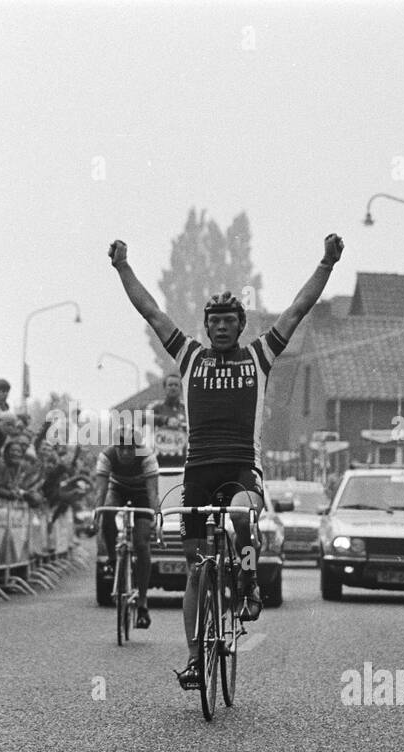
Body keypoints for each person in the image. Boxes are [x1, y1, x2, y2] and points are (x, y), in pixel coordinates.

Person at [109, 232, 343, 686]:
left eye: (228, 321)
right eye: (213, 321)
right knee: (196, 570)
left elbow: (297, 309)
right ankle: (196, 659)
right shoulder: (189, 357)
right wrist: (122, 268)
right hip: (199, 470)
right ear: (206, 326)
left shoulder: (260, 356)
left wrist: (326, 263)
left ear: (240, 326)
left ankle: (249, 580)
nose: (220, 327)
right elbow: (152, 311)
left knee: (239, 515)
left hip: (241, 468)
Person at [93, 422, 159, 629]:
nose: (125, 452)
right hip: (118, 489)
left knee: (141, 542)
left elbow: (152, 493)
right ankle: (114, 560)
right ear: (115, 447)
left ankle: (142, 603)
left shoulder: (147, 457)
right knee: (107, 512)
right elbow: (101, 491)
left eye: (130, 448)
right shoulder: (106, 456)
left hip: (141, 494)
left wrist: (155, 517)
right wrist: (97, 514)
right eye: (121, 448)